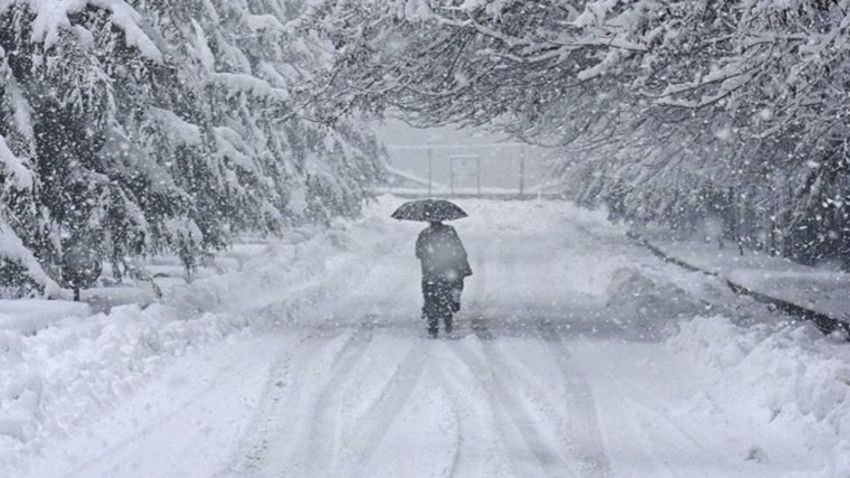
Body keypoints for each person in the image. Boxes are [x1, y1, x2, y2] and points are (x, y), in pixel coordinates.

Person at [416, 220, 472, 338]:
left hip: (431, 271)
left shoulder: (424, 233)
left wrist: (429, 256)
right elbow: (459, 250)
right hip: (448, 270)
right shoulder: (450, 231)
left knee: (429, 294)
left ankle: (432, 322)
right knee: (450, 290)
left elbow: (418, 253)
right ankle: (449, 313)